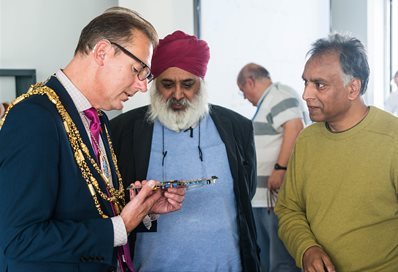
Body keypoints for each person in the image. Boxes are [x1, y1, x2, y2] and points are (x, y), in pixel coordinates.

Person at [0, 7, 185, 272]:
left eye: (146, 76)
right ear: (102, 53)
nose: (143, 86)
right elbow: (19, 239)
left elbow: (88, 207)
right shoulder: (34, 117)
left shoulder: (96, 117)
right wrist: (120, 228)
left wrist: (143, 209)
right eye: (137, 70)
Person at [110, 30, 261, 272]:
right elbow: (112, 210)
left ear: (201, 82)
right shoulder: (123, 131)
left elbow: (246, 193)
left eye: (188, 84)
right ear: (153, 83)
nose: (178, 95)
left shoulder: (237, 128)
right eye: (167, 84)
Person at [275, 33, 398, 272]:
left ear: (353, 88)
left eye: (319, 84)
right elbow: (289, 209)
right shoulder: (306, 140)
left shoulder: (392, 139)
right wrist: (307, 249)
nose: (306, 95)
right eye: (305, 82)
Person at [237, 63, 304, 272]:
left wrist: (280, 169)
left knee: (280, 261)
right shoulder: (268, 102)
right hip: (261, 195)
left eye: (243, 91)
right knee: (265, 258)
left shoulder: (279, 95)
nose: (245, 97)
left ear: (250, 81)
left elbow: (295, 127)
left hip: (274, 194)